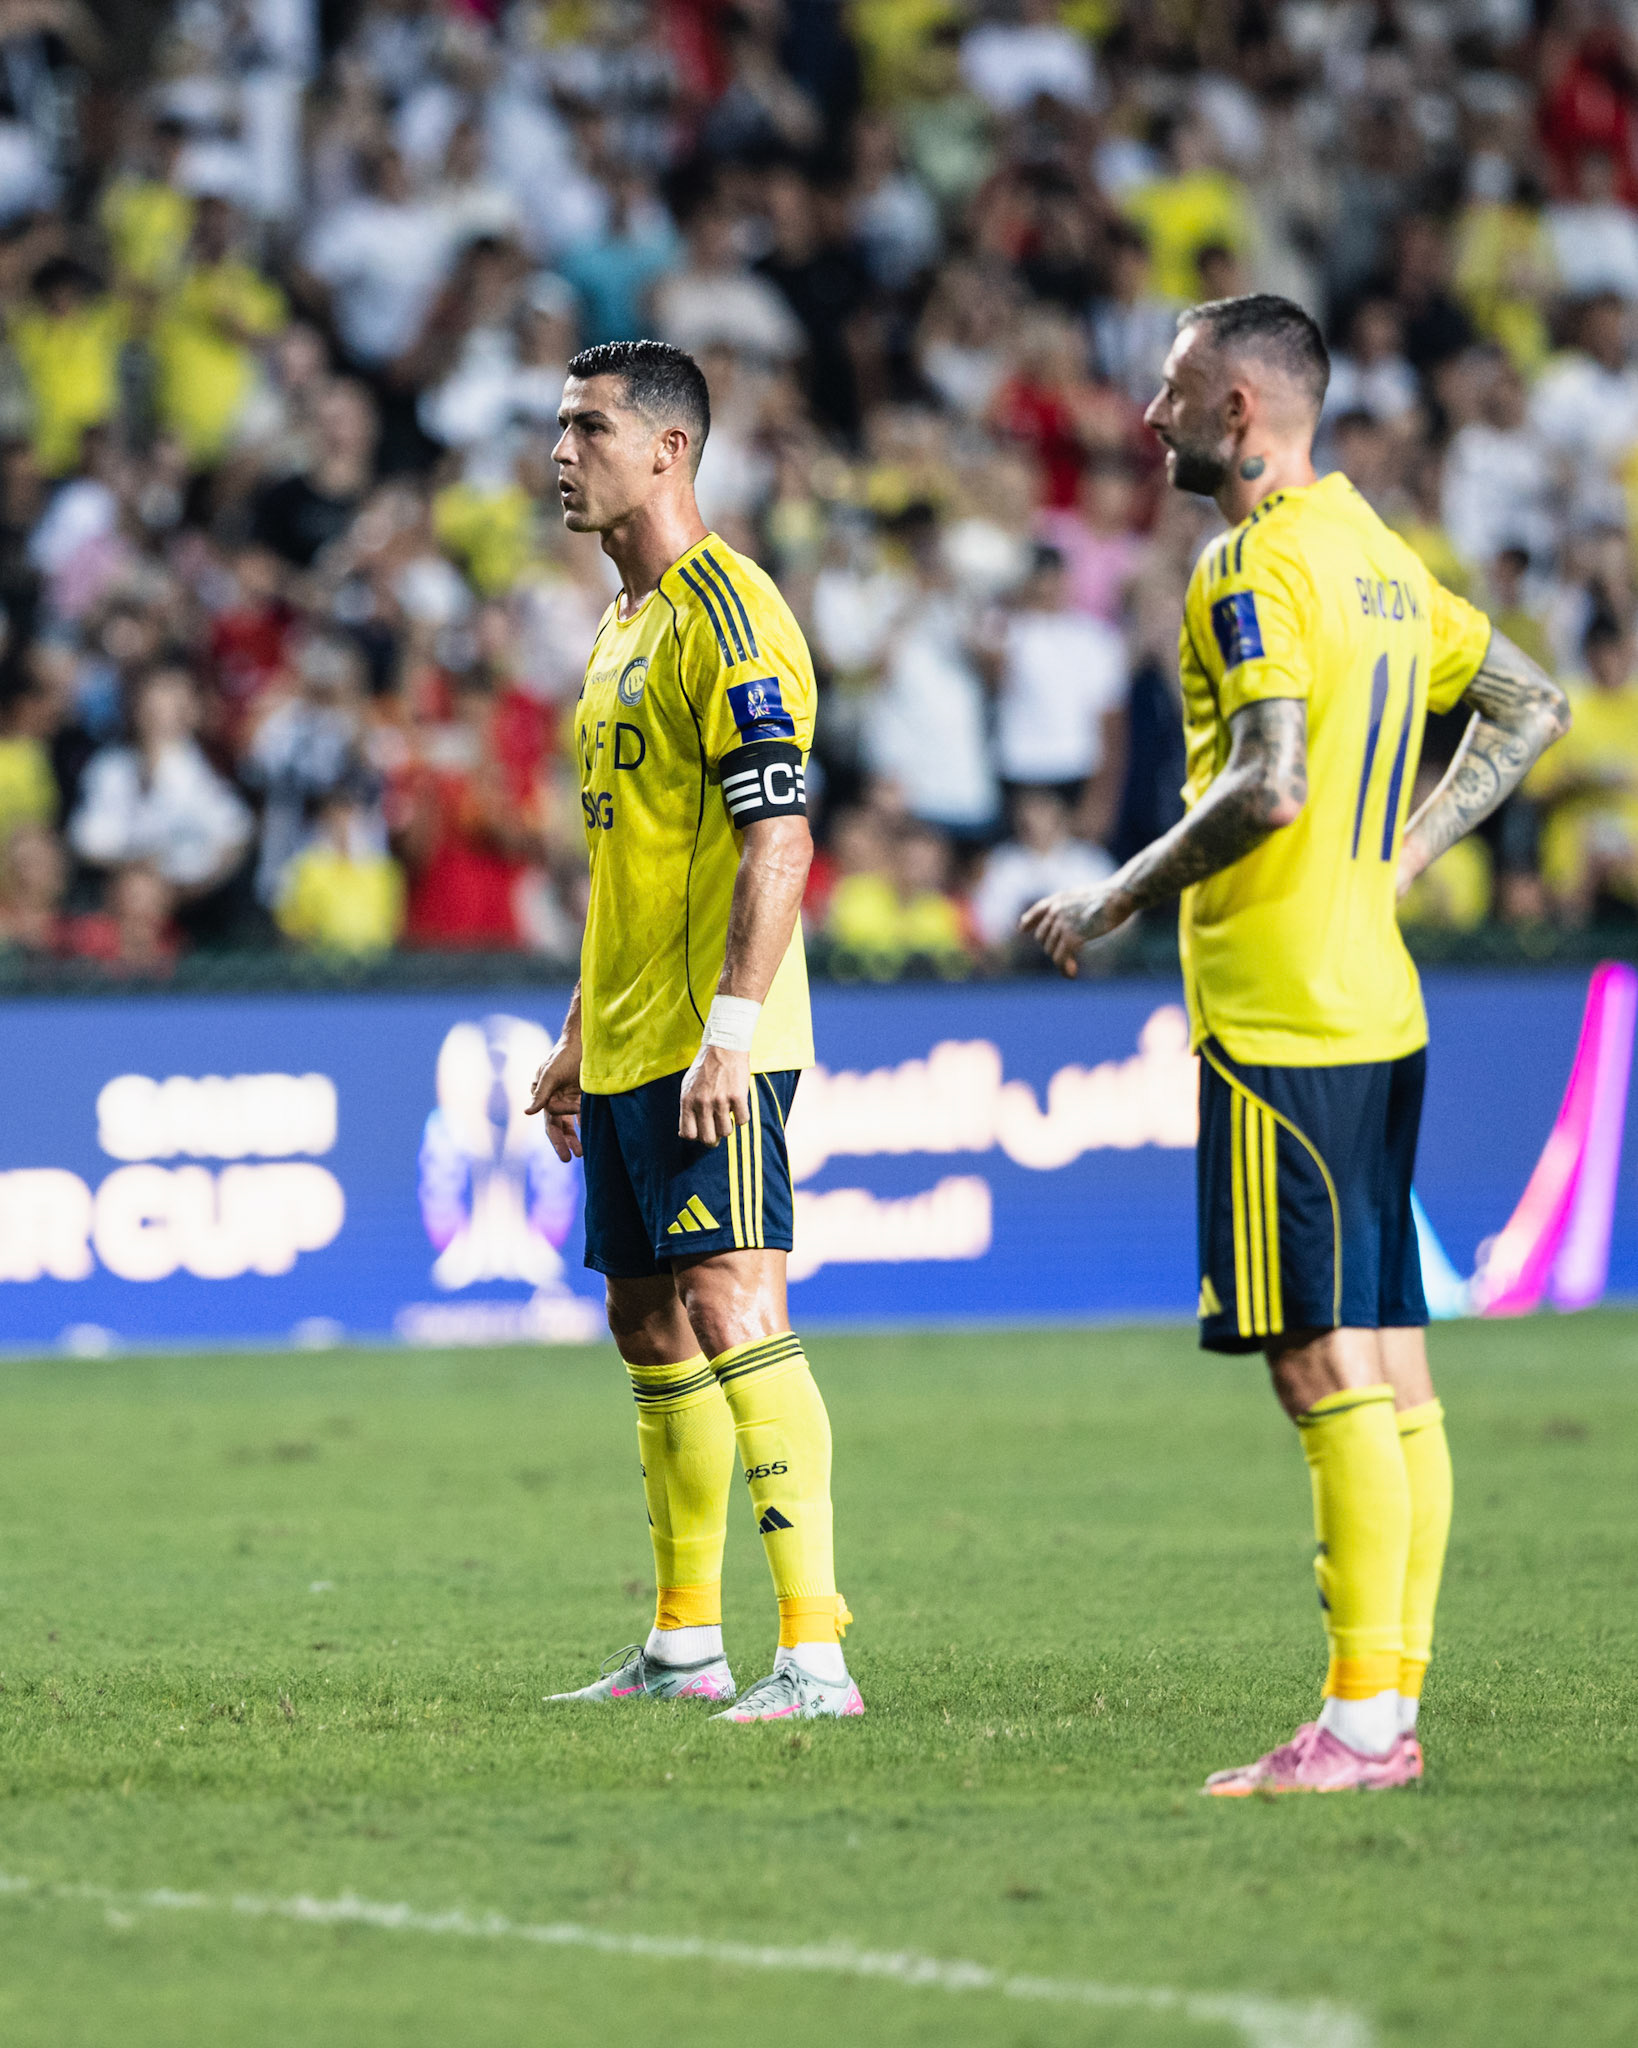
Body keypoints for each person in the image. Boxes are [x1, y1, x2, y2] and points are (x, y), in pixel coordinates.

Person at [1022, 293, 1569, 1794]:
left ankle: (1360, 1728)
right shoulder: (1381, 561)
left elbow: (1264, 784)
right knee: (1394, 1369)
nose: (1148, 413)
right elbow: (1529, 703)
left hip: (1278, 1013)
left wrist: (1110, 897)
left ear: (1241, 415)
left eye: (1174, 388)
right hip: (1377, 1004)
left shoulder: (1246, 568)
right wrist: (1408, 842)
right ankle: (1384, 1707)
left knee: (1319, 1364)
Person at [526, 338, 859, 1723]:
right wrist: (574, 1036)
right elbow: (631, 867)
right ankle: (681, 1647)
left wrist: (728, 1030)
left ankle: (816, 1657)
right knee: (646, 1323)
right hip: (630, 1037)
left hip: (719, 1046)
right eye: (556, 428)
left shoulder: (731, 617)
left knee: (731, 1302)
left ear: (669, 449)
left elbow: (777, 838)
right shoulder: (620, 625)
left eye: (588, 429)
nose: (559, 453)